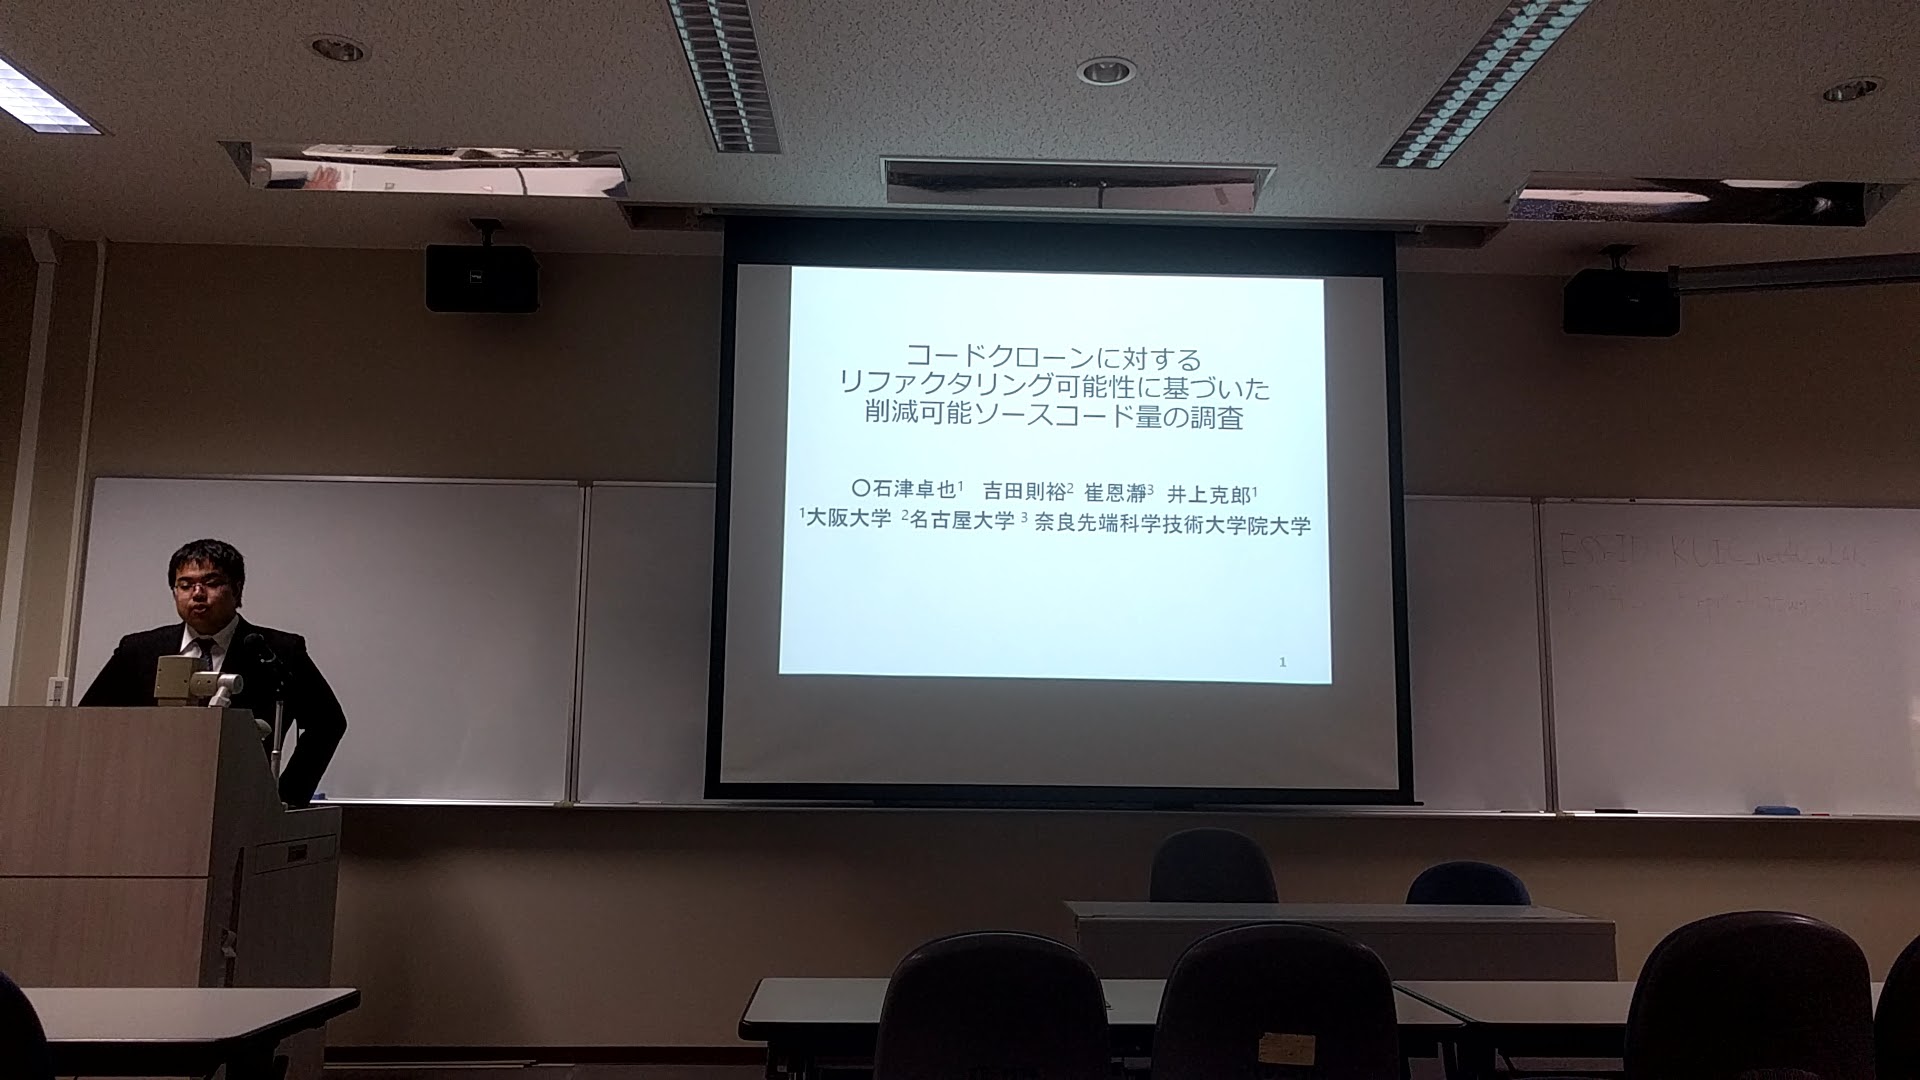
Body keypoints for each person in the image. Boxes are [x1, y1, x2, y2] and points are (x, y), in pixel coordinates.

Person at [79, 538, 346, 806]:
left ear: (237, 589)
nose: (197, 594)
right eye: (185, 585)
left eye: (212, 583)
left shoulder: (278, 650)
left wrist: (285, 797)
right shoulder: (139, 650)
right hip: (145, 797)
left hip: (241, 801)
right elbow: (89, 719)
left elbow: (327, 723)